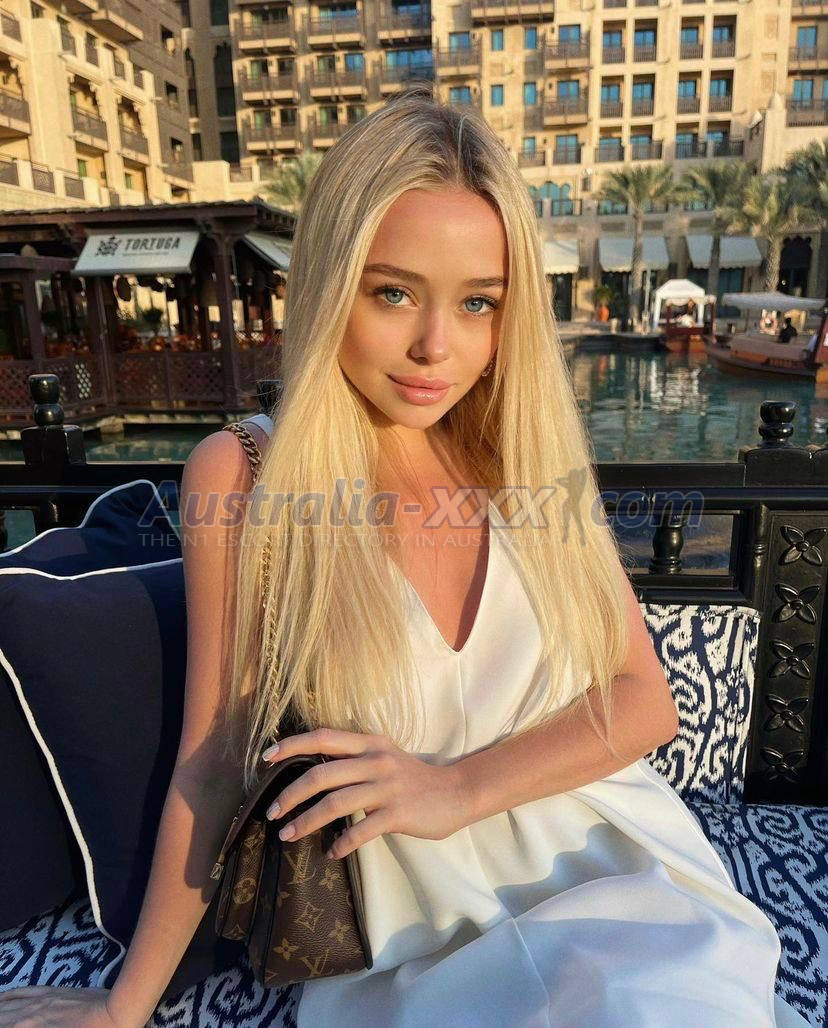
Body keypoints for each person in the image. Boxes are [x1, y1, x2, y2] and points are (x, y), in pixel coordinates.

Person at [0, 86, 810, 1028]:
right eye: (392, 293)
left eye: (478, 303)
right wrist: (124, 1009)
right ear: (329, 285)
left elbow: (642, 699)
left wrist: (457, 787)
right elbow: (216, 760)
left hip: (615, 879)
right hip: (413, 940)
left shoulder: (529, 455)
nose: (436, 347)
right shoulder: (248, 476)